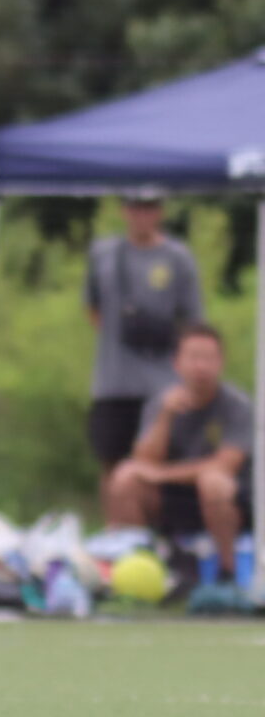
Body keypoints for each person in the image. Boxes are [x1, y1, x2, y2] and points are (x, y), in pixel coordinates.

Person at [106, 321, 252, 607]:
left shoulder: (238, 405)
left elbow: (225, 464)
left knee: (213, 482)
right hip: (173, 499)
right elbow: (143, 461)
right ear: (176, 363)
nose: (201, 366)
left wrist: (161, 474)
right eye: (194, 357)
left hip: (227, 501)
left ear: (221, 362)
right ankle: (147, 565)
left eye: (208, 358)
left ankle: (228, 575)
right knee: (125, 478)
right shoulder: (162, 403)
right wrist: (165, 417)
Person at [85, 194, 201, 491]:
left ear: (160, 211)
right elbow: (93, 309)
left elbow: (193, 323)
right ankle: (116, 521)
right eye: (135, 207)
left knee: (158, 466)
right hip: (113, 382)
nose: (142, 215)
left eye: (149, 207)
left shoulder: (178, 258)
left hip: (163, 385)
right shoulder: (103, 254)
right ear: (124, 210)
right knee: (112, 464)